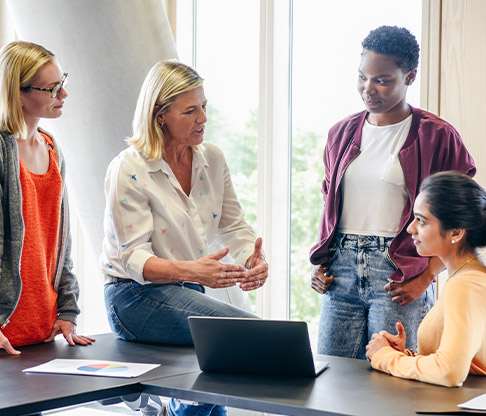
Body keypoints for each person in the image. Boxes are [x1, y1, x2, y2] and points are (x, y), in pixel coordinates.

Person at [100, 60, 268, 416]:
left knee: (214, 386)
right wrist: (192, 271)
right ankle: (175, 407)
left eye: (204, 107)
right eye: (190, 110)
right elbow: (132, 258)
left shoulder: (213, 159)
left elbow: (234, 225)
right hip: (133, 296)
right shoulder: (128, 168)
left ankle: (170, 408)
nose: (202, 118)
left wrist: (251, 260)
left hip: (187, 291)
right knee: (247, 335)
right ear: (160, 115)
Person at [309, 26, 475, 359]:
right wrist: (320, 262)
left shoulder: (437, 136)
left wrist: (427, 277)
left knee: (393, 383)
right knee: (331, 381)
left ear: (409, 76)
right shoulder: (340, 133)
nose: (368, 89)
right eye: (362, 77)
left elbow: (463, 219)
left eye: (382, 80)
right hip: (340, 273)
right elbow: (330, 204)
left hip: (400, 275)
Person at [0, 41, 94, 355]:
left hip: (42, 327)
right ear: (19, 93)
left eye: (62, 83)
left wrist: (68, 310)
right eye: (52, 88)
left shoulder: (52, 148)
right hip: (4, 329)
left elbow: (60, 241)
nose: (63, 95)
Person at [365, 171, 486, 387]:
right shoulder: (465, 277)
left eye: (421, 221)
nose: (411, 229)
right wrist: (406, 356)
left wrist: (385, 357)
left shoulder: (466, 284)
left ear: (455, 233)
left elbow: (449, 372)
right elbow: (468, 364)